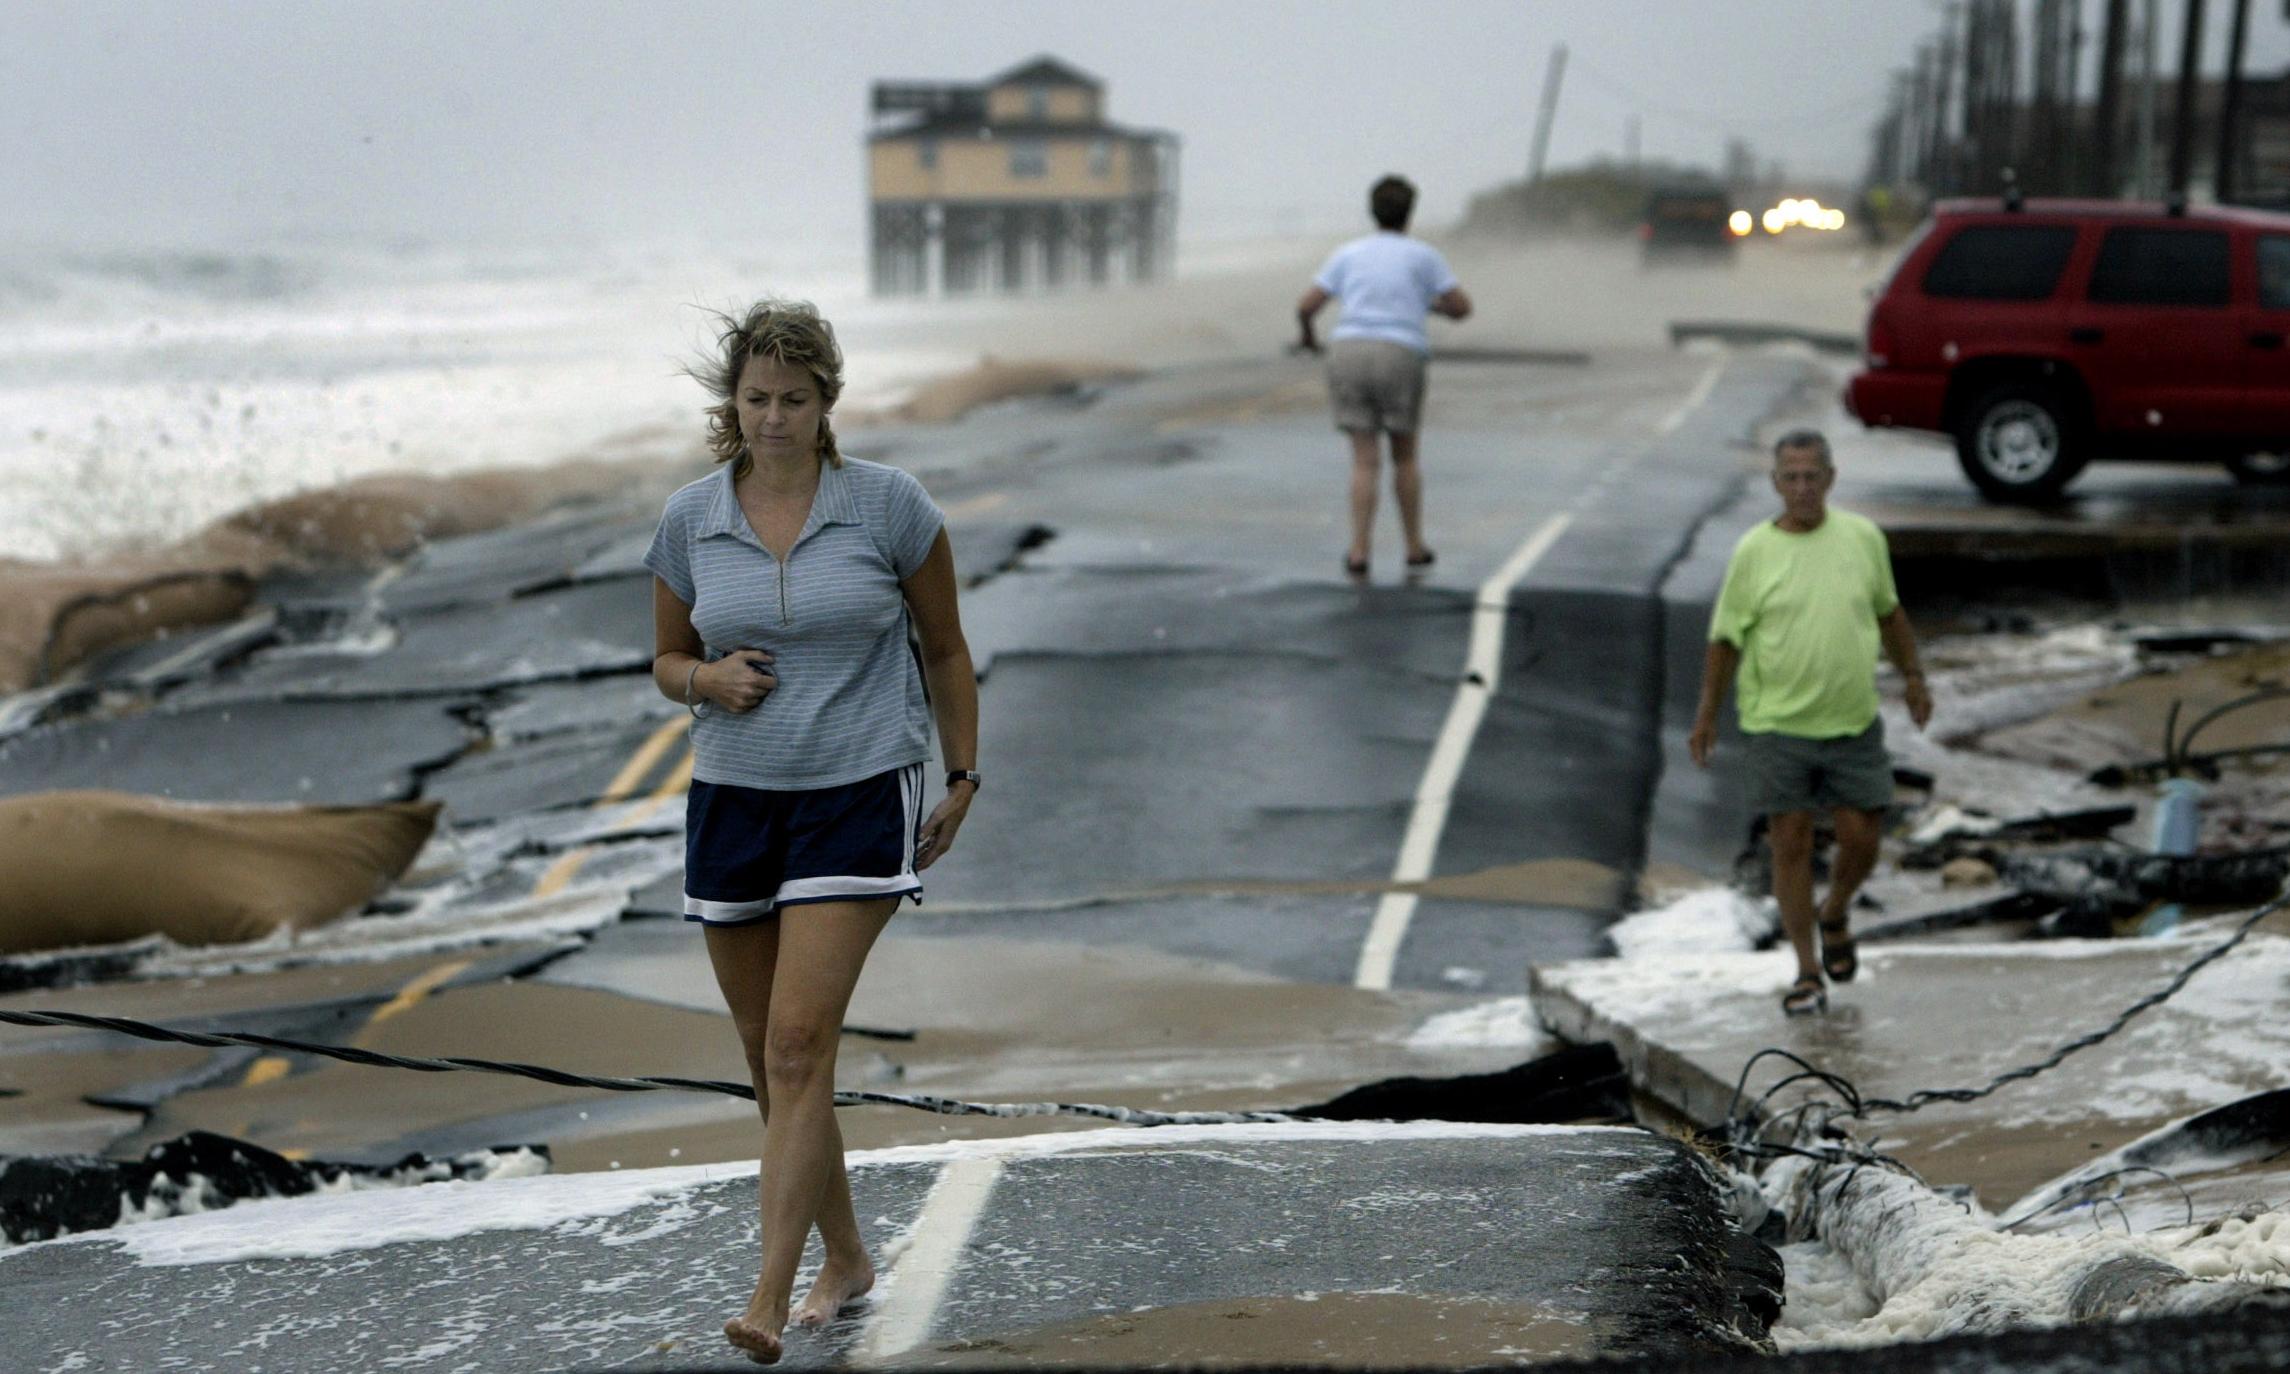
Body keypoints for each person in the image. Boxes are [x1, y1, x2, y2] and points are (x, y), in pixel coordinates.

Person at [645, 298, 980, 1363]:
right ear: (730, 402)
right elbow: (662, 662)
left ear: (827, 400)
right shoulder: (690, 519)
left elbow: (946, 652)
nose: (773, 419)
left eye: (794, 400)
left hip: (856, 790)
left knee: (798, 1044)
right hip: (734, 802)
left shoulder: (889, 506)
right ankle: (847, 1256)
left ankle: (768, 1293)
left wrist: (961, 773)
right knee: (770, 1060)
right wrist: (704, 676)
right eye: (755, 399)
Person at [1688, 430, 1931, 1017]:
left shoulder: (1862, 538)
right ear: (1775, 484)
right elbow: (1725, 640)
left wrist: (1915, 676)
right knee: (1790, 845)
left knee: (1863, 838)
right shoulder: (1754, 551)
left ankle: (1836, 910)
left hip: (1851, 720)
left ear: (1830, 479)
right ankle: (1805, 970)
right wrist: (1706, 716)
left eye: (1811, 477)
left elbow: (1889, 613)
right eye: (1790, 478)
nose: (1802, 488)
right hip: (1777, 724)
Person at [1295, 174, 1472, 578]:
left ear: (1371, 211)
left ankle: (1359, 550)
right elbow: (1462, 307)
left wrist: (1308, 338)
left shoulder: (1347, 254)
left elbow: (1306, 306)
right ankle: (1413, 547)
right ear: (1410, 213)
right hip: (1400, 352)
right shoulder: (1423, 256)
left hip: (1348, 349)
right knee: (1405, 456)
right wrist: (1431, 306)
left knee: (1363, 460)